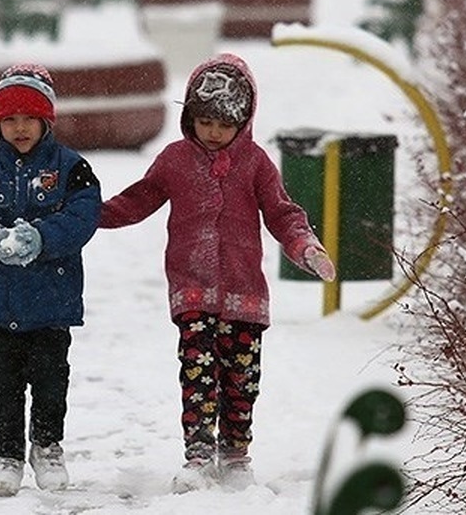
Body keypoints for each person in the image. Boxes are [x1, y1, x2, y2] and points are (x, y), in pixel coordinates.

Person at [98, 52, 336, 493]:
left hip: (245, 294)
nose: (213, 132)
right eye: (204, 121)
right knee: (197, 372)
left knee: (241, 379)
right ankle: (199, 453)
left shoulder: (257, 163)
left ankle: (236, 451)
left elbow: (283, 215)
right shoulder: (173, 160)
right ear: (190, 116)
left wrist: (306, 246)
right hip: (191, 290)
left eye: (224, 125)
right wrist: (90, 215)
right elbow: (138, 200)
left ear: (243, 123)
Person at [0, 63, 103, 497]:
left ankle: (48, 447)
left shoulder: (71, 168)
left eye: (28, 118)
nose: (19, 128)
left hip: (53, 303)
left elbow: (84, 214)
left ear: (46, 119)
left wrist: (43, 237)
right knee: (4, 384)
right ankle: (7, 454)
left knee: (52, 382)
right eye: (8, 120)